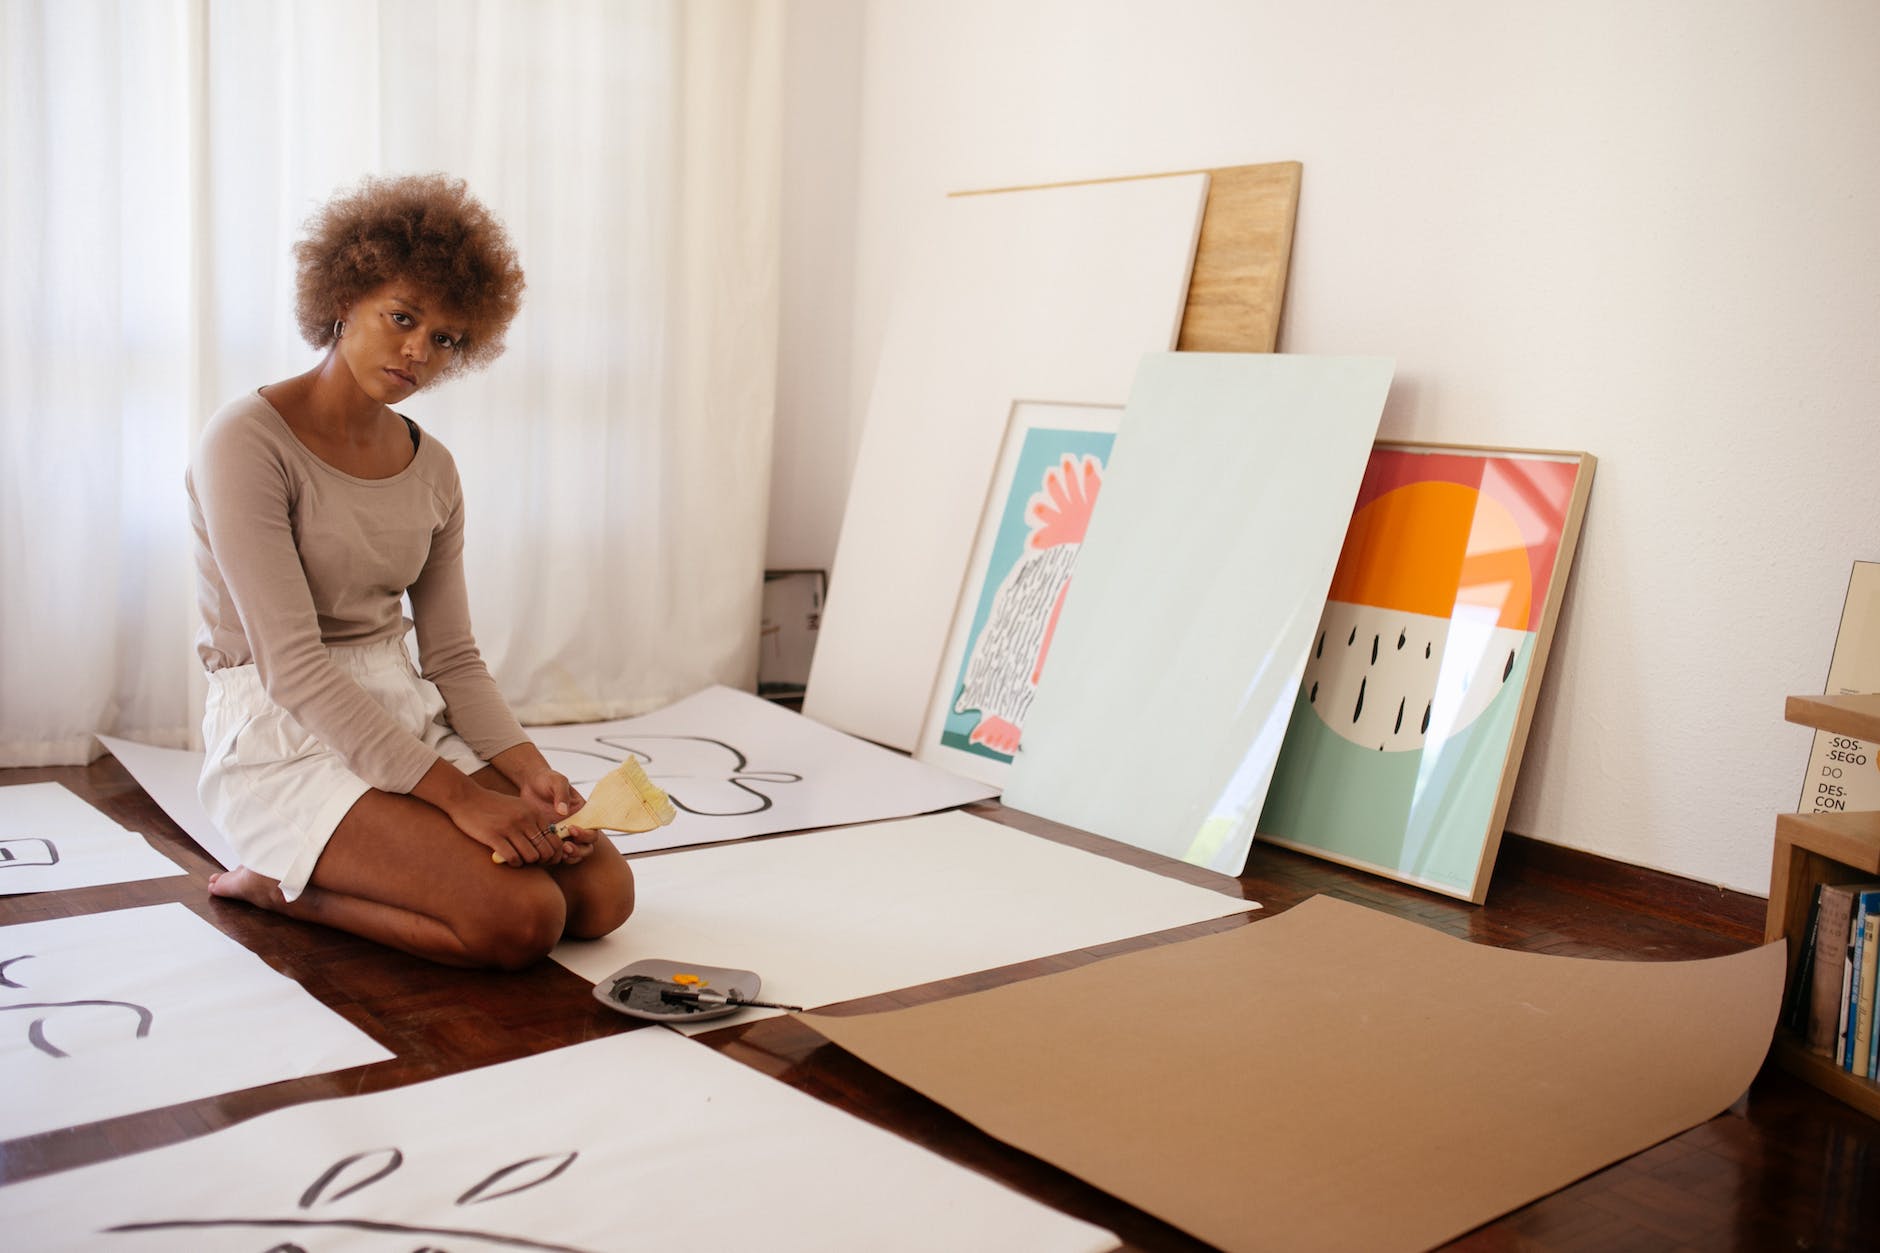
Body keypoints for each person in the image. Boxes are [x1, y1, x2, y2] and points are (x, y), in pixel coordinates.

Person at [187, 173, 634, 969]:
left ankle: (357, 853)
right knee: (520, 920)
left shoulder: (434, 468)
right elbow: (293, 666)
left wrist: (529, 774)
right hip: (282, 728)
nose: (418, 351)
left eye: (446, 338)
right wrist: (463, 800)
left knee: (600, 896)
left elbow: (453, 657)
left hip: (399, 716)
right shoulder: (244, 443)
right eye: (403, 317)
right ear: (344, 296)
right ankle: (278, 881)